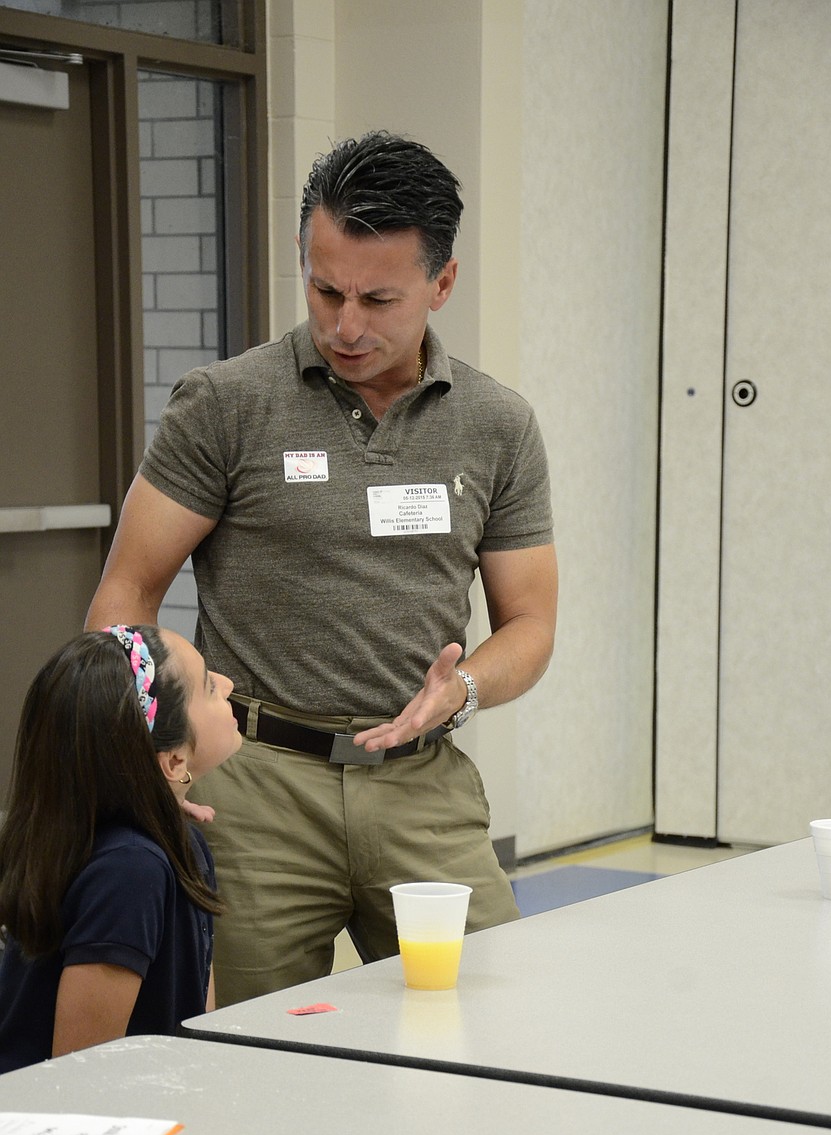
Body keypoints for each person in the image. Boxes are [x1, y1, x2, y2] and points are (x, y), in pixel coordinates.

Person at [85, 130, 558, 1006]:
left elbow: (529, 623)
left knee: (493, 1022)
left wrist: (466, 690)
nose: (344, 325)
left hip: (422, 784)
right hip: (255, 787)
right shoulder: (227, 404)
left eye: (378, 299)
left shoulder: (498, 424)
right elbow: (126, 597)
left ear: (442, 283)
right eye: (324, 288)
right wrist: (141, 769)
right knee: (242, 1052)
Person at [0, 626, 242, 1073]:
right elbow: (80, 1078)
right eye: (208, 686)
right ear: (173, 762)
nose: (227, 684)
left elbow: (194, 1028)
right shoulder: (129, 873)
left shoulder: (182, 844)